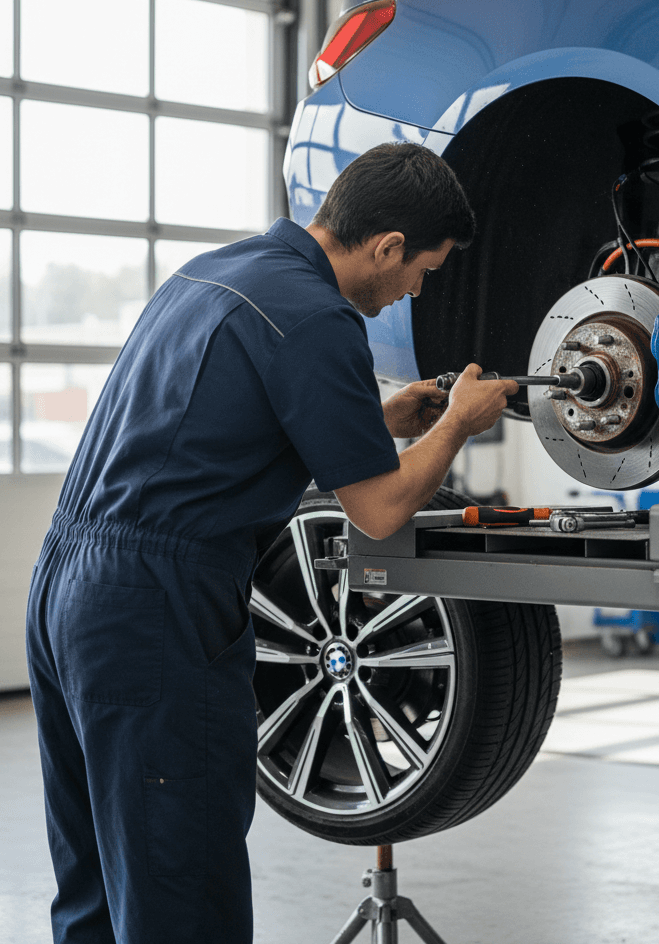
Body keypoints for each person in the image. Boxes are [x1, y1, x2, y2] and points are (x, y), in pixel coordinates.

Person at [24, 143, 516, 944]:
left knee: (98, 880)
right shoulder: (319, 318)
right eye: (422, 270)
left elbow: (224, 425)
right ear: (388, 246)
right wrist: (459, 423)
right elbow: (382, 511)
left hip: (68, 584)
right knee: (182, 885)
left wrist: (375, 422)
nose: (410, 294)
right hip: (155, 606)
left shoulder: (216, 272)